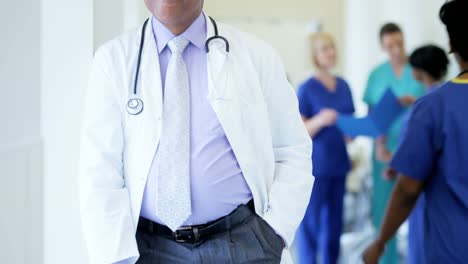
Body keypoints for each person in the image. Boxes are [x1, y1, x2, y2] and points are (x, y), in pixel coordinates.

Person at [79, 1, 314, 263]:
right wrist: (115, 256)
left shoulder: (256, 56)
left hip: (242, 246)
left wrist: (274, 233)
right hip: (147, 249)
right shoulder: (113, 60)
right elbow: (100, 169)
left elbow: (292, 149)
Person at [363, 0, 468, 263]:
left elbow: (408, 189)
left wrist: (380, 242)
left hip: (453, 249)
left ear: (452, 45)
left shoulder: (434, 106)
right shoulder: (429, 103)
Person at [375, 45, 449, 264]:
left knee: (422, 249)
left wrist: (390, 161)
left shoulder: (423, 108)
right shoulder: (452, 99)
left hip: (426, 195)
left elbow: (413, 157)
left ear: (417, 72)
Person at [363, 22, 425, 264]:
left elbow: (432, 101)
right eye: (390, 46)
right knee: (383, 213)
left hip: (415, 149)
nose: (397, 50)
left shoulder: (418, 69)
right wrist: (379, 143)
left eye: (399, 43)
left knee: (417, 211)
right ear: (382, 46)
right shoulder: (376, 76)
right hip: (384, 151)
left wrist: (413, 101)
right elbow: (372, 117)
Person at [296, 32, 355, 264]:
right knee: (311, 225)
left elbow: (349, 131)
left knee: (334, 226)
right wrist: (320, 120)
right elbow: (300, 133)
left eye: (331, 47)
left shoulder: (344, 86)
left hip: (339, 166)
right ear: (314, 55)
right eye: (323, 49)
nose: (330, 52)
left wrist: (356, 129)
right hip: (315, 168)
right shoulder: (306, 88)